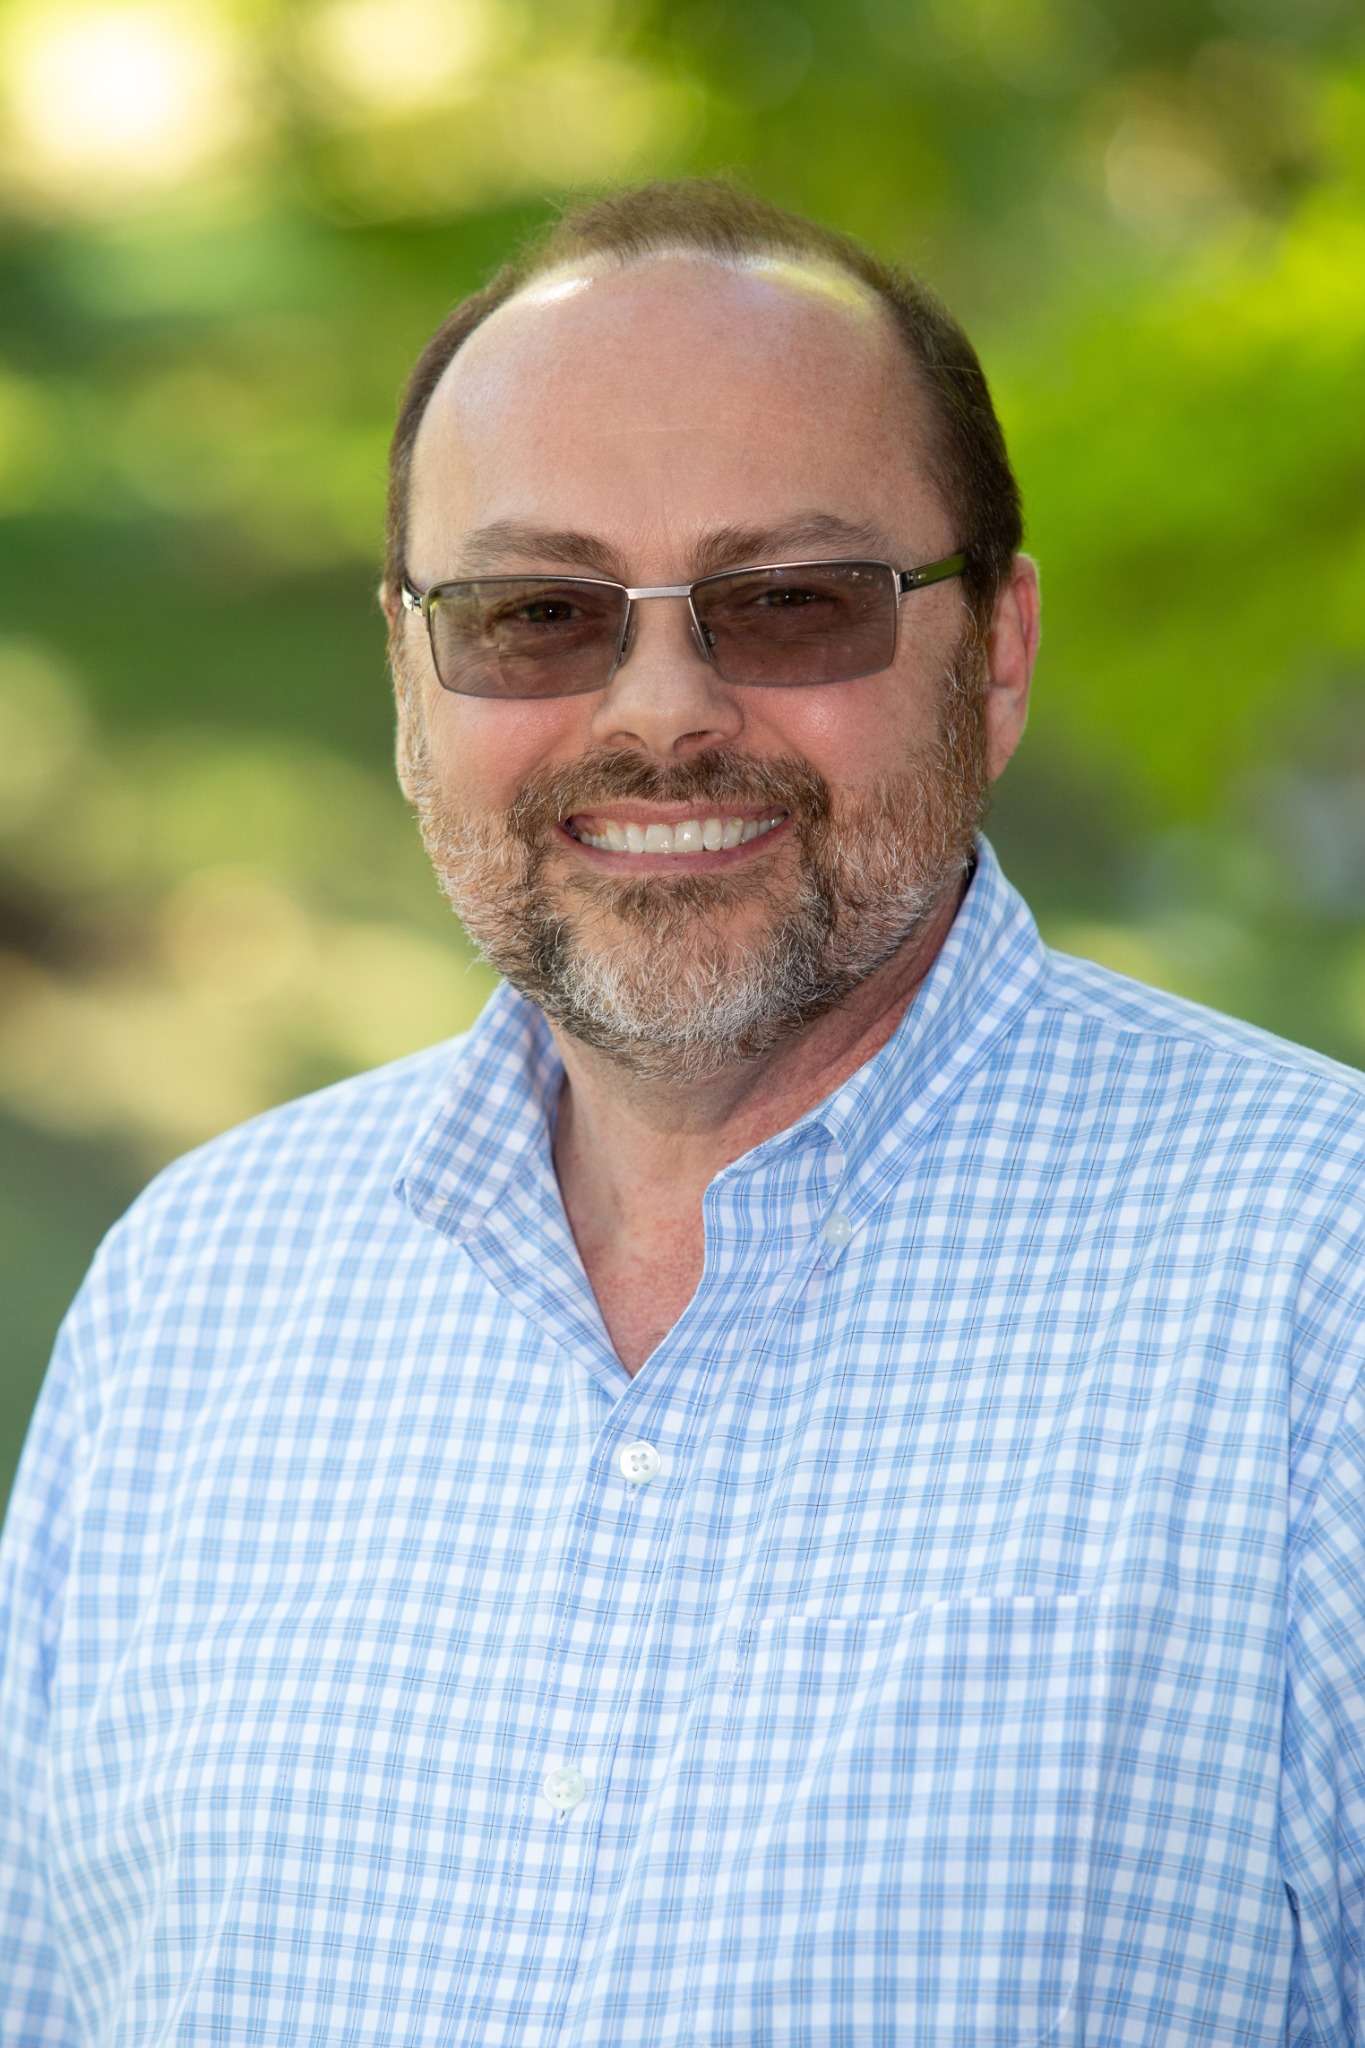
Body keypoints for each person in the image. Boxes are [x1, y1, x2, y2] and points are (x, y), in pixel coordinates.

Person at [2, 178, 1362, 2048]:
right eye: (533, 613)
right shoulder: (191, 1298)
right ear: (409, 680)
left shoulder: (1320, 1290)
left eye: (787, 601)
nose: (659, 710)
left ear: (1000, 655)